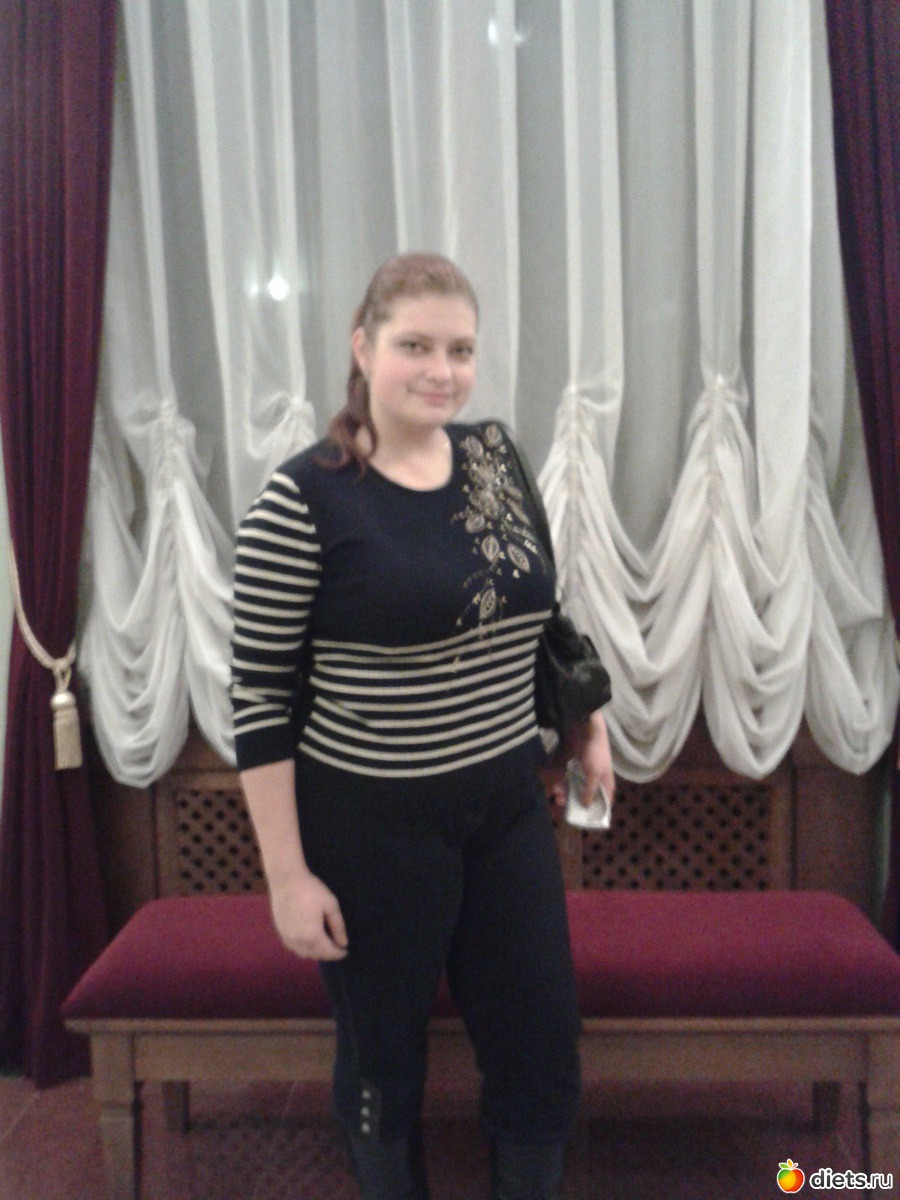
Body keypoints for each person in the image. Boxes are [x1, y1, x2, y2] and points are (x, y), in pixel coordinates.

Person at [230, 252, 615, 1200]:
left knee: (541, 1047)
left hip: (505, 811)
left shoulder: (493, 459)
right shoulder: (302, 499)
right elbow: (260, 701)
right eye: (415, 346)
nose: (442, 370)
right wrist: (287, 878)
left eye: (461, 349)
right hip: (370, 829)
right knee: (384, 1066)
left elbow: (539, 612)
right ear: (363, 348)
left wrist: (585, 727)